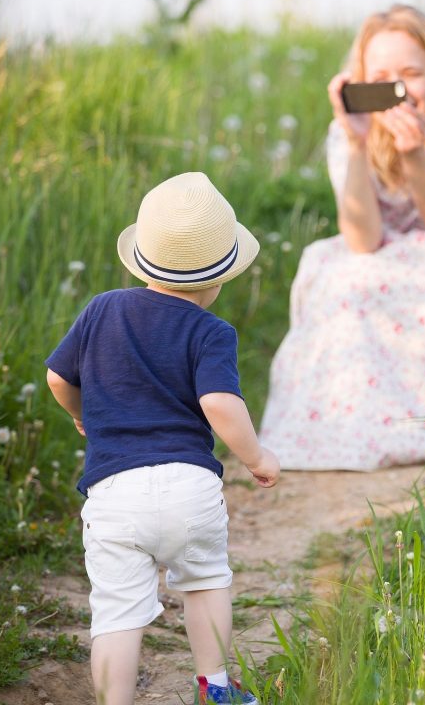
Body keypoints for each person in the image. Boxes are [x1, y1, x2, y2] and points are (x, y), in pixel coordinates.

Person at [45, 172, 280, 705]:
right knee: (204, 583)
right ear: (219, 278)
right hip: (188, 488)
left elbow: (59, 377)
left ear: (139, 259)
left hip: (113, 495)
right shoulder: (211, 331)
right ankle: (215, 687)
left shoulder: (101, 308)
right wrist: (257, 456)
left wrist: (82, 415)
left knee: (118, 615)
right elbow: (219, 404)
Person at [260, 4, 425, 471]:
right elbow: (361, 239)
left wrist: (414, 154)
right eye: (382, 77)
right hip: (381, 245)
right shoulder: (349, 130)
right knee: (335, 275)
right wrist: (357, 144)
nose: (398, 91)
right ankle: (349, 427)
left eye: (412, 73)